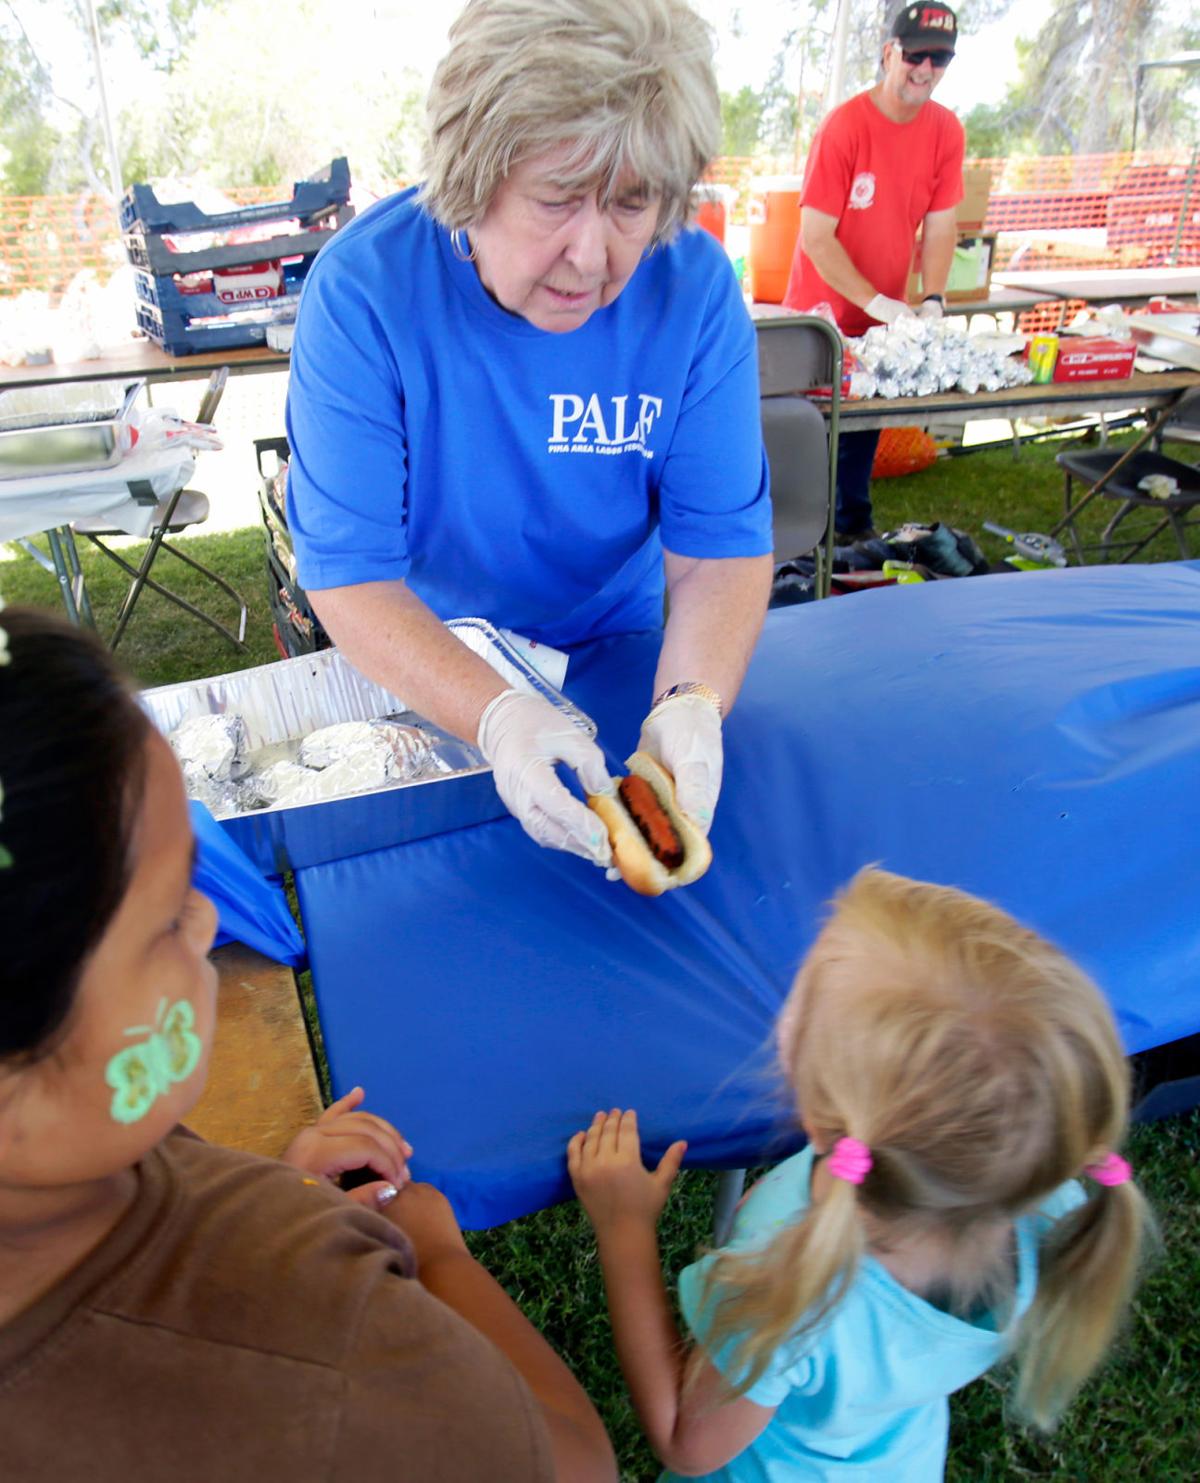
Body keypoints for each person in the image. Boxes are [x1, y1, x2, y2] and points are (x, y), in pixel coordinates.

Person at [0, 608, 615, 1483]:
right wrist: (437, 1253)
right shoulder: (324, 1352)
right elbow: (575, 1464)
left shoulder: (84, 1147)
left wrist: (280, 1185)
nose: (210, 917)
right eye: (170, 912)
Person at [285, 0, 773, 873]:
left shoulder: (691, 292)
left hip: (620, 655)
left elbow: (715, 553)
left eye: (631, 205)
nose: (591, 257)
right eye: (556, 200)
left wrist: (693, 698)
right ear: (473, 174)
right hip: (430, 667)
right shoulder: (363, 295)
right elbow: (352, 576)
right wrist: (498, 713)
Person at [567, 867, 1152, 1480]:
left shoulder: (788, 1281)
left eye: (804, 990)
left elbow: (685, 1440)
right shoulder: (1042, 1205)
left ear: (824, 1119)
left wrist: (625, 1230)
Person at [782, 3, 965, 542]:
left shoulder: (946, 131)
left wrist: (932, 296)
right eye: (916, 55)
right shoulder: (845, 127)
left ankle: (851, 541)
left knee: (861, 443)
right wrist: (873, 299)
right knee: (811, 445)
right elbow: (817, 236)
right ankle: (793, 549)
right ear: (889, 54)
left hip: (886, 322)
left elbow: (940, 224)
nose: (926, 69)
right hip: (823, 319)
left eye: (940, 59)